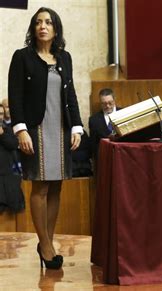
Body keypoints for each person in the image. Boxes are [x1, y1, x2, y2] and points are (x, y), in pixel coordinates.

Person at [8, 7, 83, 269]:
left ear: (55, 28)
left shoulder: (65, 58)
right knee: (40, 186)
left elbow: (70, 94)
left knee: (56, 186)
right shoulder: (22, 57)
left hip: (60, 129)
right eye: (38, 22)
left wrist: (77, 127)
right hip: (36, 129)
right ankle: (47, 246)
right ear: (33, 28)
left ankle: (47, 242)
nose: (43, 26)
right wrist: (20, 129)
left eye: (48, 22)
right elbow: (15, 95)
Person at [0, 104, 24, 213]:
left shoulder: (7, 129)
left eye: (1, 114)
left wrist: (2, 134)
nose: (0, 116)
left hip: (7, 174)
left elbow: (14, 144)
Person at [88, 88, 119, 160]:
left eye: (110, 103)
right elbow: (94, 144)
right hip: (104, 158)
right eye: (104, 103)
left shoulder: (124, 112)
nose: (107, 106)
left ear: (114, 100)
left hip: (122, 154)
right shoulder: (94, 120)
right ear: (100, 103)